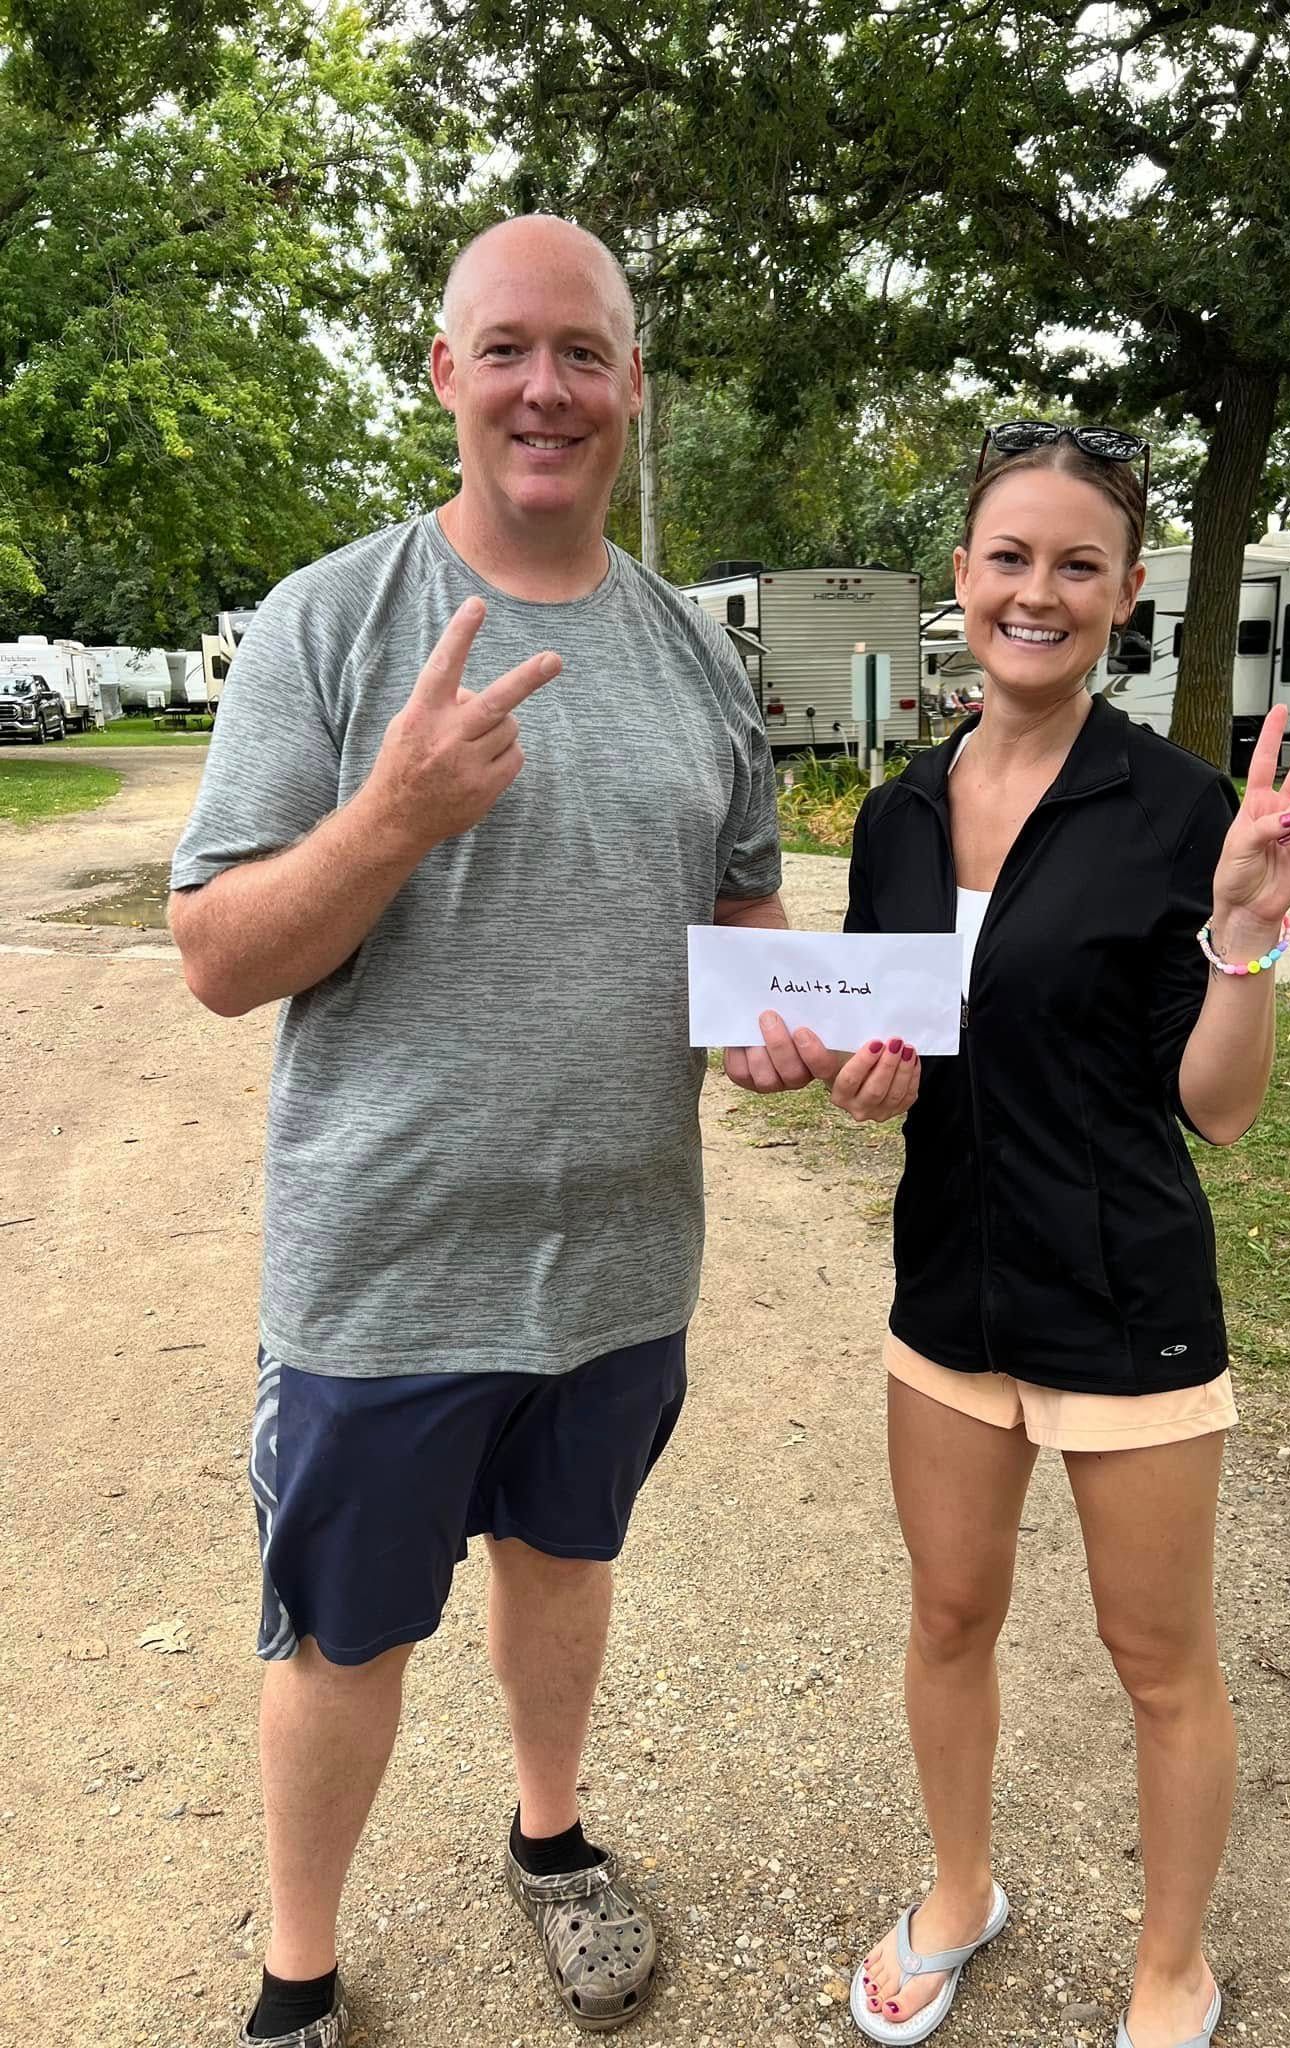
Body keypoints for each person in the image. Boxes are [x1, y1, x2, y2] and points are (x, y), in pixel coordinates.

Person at [169, 215, 792, 2045]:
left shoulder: (689, 653)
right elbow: (216, 954)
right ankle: (299, 1970)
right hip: (388, 1267)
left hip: (617, 1260)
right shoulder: (332, 621)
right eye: (507, 348)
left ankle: (550, 1838)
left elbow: (740, 915)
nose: (546, 387)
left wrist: (792, 1019)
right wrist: (394, 819)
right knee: (345, 1634)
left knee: (565, 1568)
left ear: (631, 392)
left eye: (583, 353)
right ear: (445, 375)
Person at [736, 422, 1290, 2048]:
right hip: (947, 1299)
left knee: (1159, 1660)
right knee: (947, 1619)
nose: (1039, 591)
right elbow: (904, 1053)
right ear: (961, 579)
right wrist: (860, 1082)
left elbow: (1215, 1109)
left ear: (1128, 592)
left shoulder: (1180, 808)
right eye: (1011, 556)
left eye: (1080, 564)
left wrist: (1244, 938)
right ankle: (959, 1892)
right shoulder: (898, 816)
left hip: (1126, 1301)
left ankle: (1171, 1965)